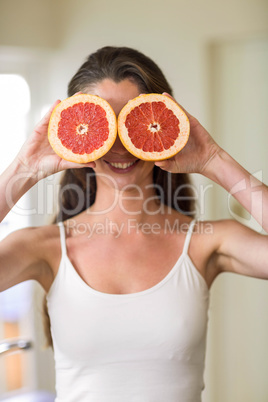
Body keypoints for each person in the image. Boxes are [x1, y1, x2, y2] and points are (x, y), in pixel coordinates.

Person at [0, 46, 267, 402]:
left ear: (161, 122)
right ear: (77, 133)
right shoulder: (42, 247)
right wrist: (22, 171)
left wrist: (213, 160)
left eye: (132, 121)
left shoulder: (206, 242)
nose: (120, 144)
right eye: (103, 125)